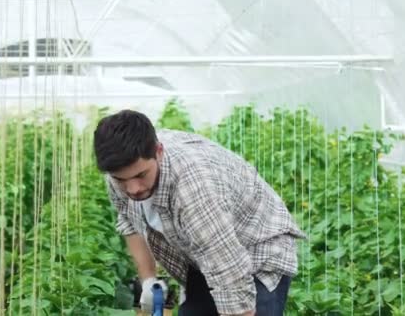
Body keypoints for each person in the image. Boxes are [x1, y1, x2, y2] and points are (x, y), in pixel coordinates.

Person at [93, 110, 305, 316]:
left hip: (258, 250)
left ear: (159, 152)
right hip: (201, 255)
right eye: (122, 180)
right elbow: (130, 222)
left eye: (141, 175)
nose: (133, 189)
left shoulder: (195, 189)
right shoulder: (120, 171)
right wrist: (148, 280)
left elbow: (230, 274)